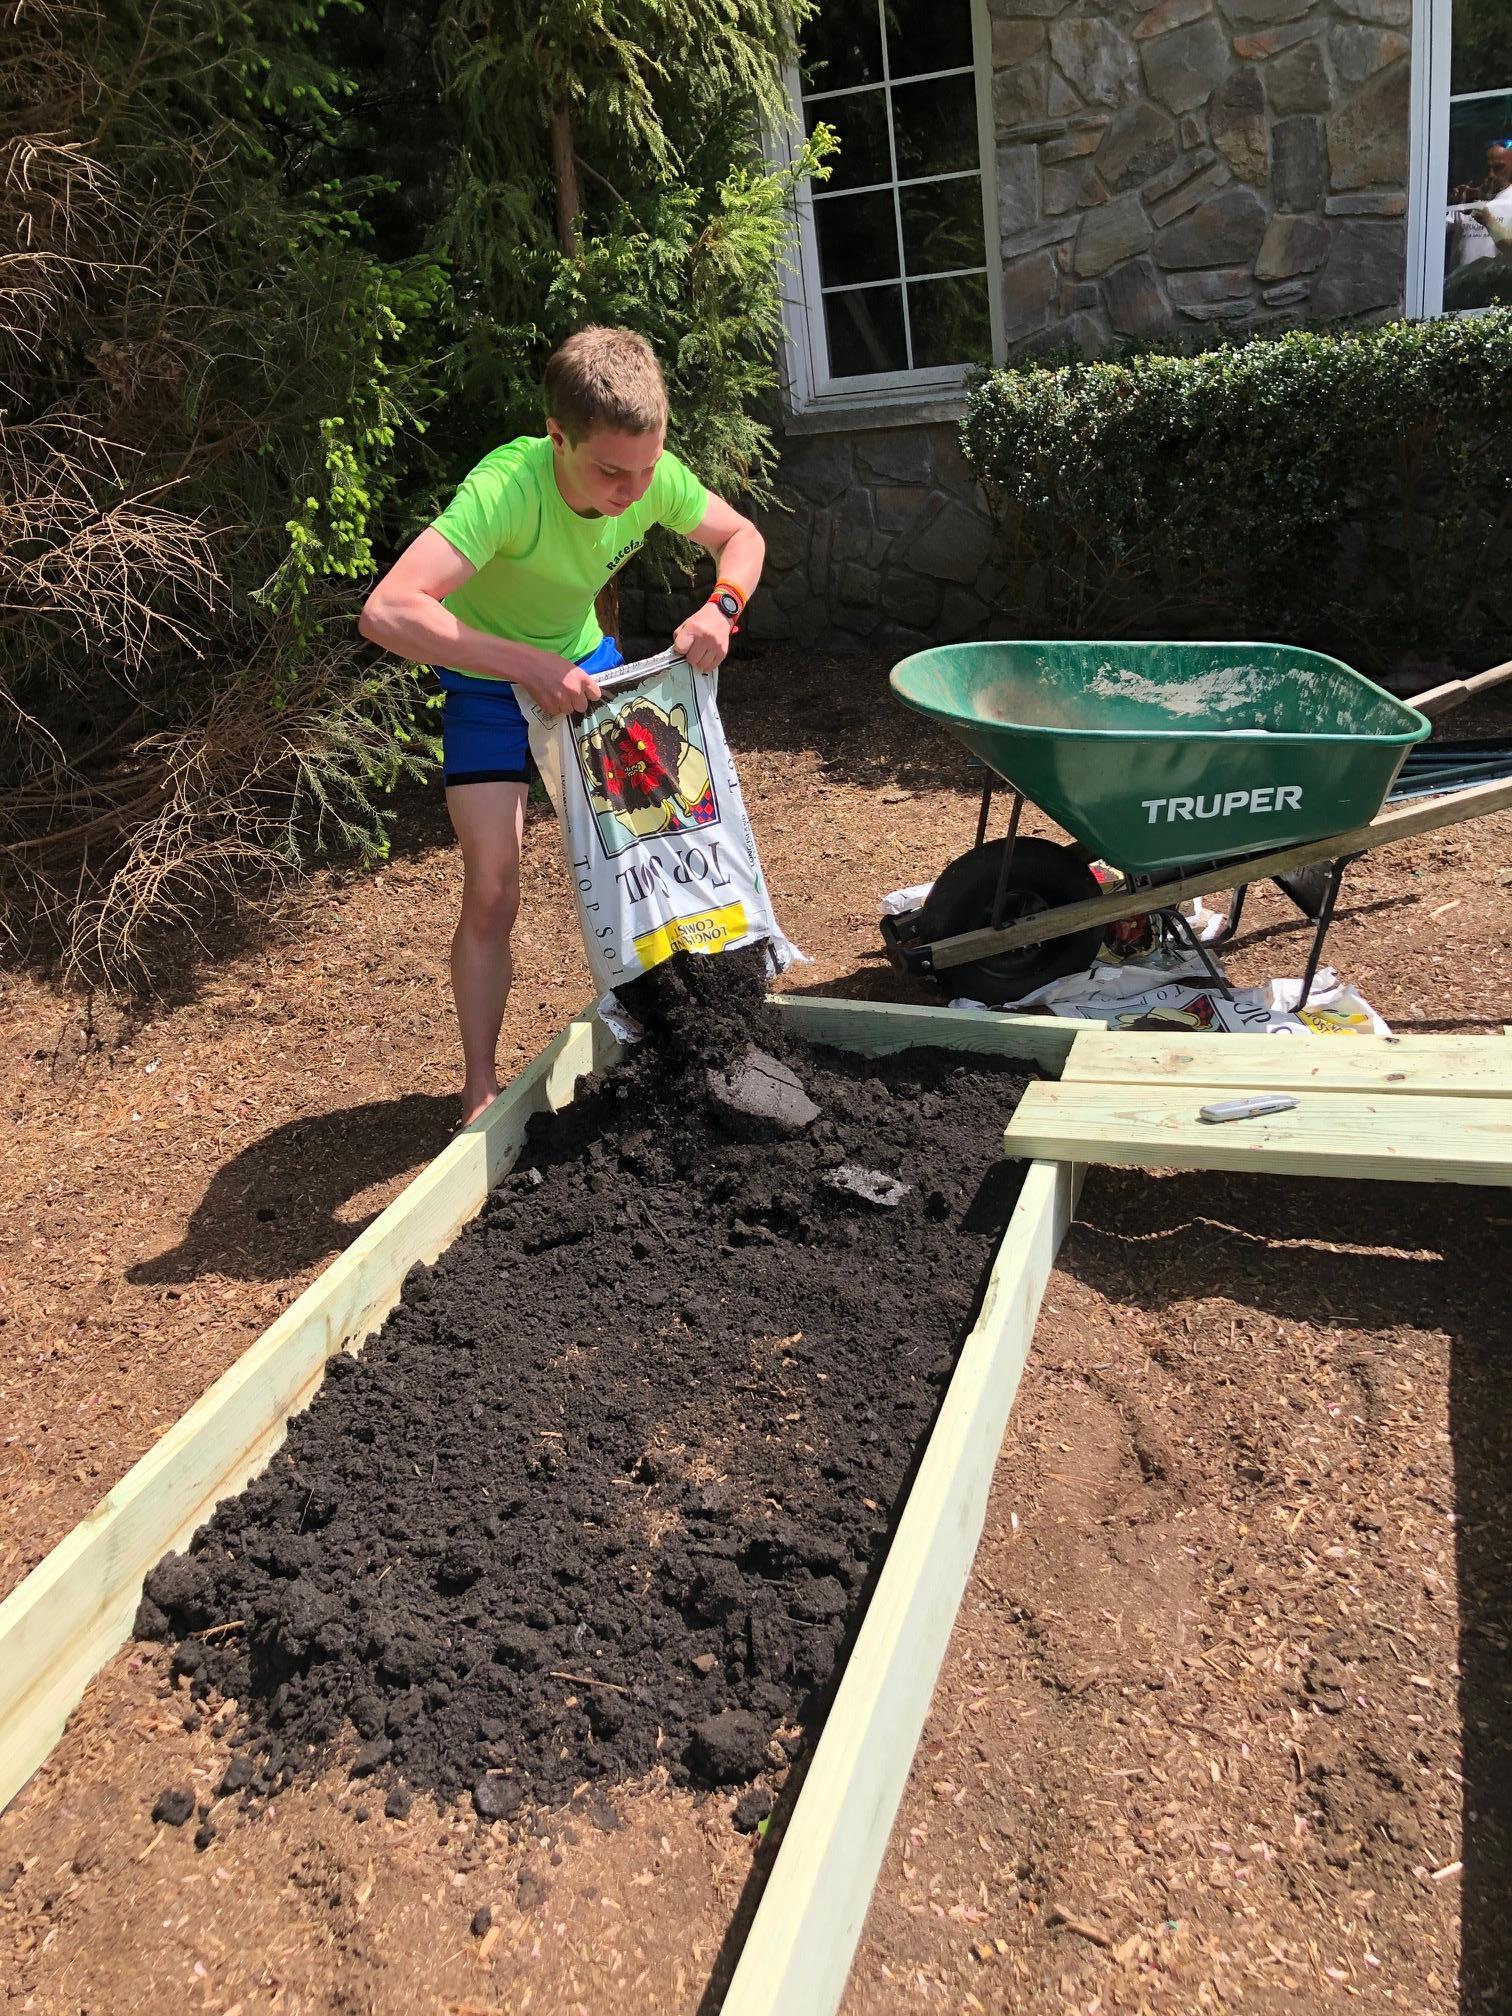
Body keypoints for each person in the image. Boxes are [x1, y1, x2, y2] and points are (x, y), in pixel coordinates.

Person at [359, 325, 765, 1124]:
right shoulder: (508, 490)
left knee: (653, 855)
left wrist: (723, 607)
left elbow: (741, 537)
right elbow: (388, 610)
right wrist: (521, 663)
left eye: (646, 470)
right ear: (557, 436)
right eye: (612, 471)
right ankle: (479, 1093)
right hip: (487, 689)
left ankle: (681, 1038)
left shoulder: (651, 475)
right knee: (494, 887)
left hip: (588, 675)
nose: (632, 490)